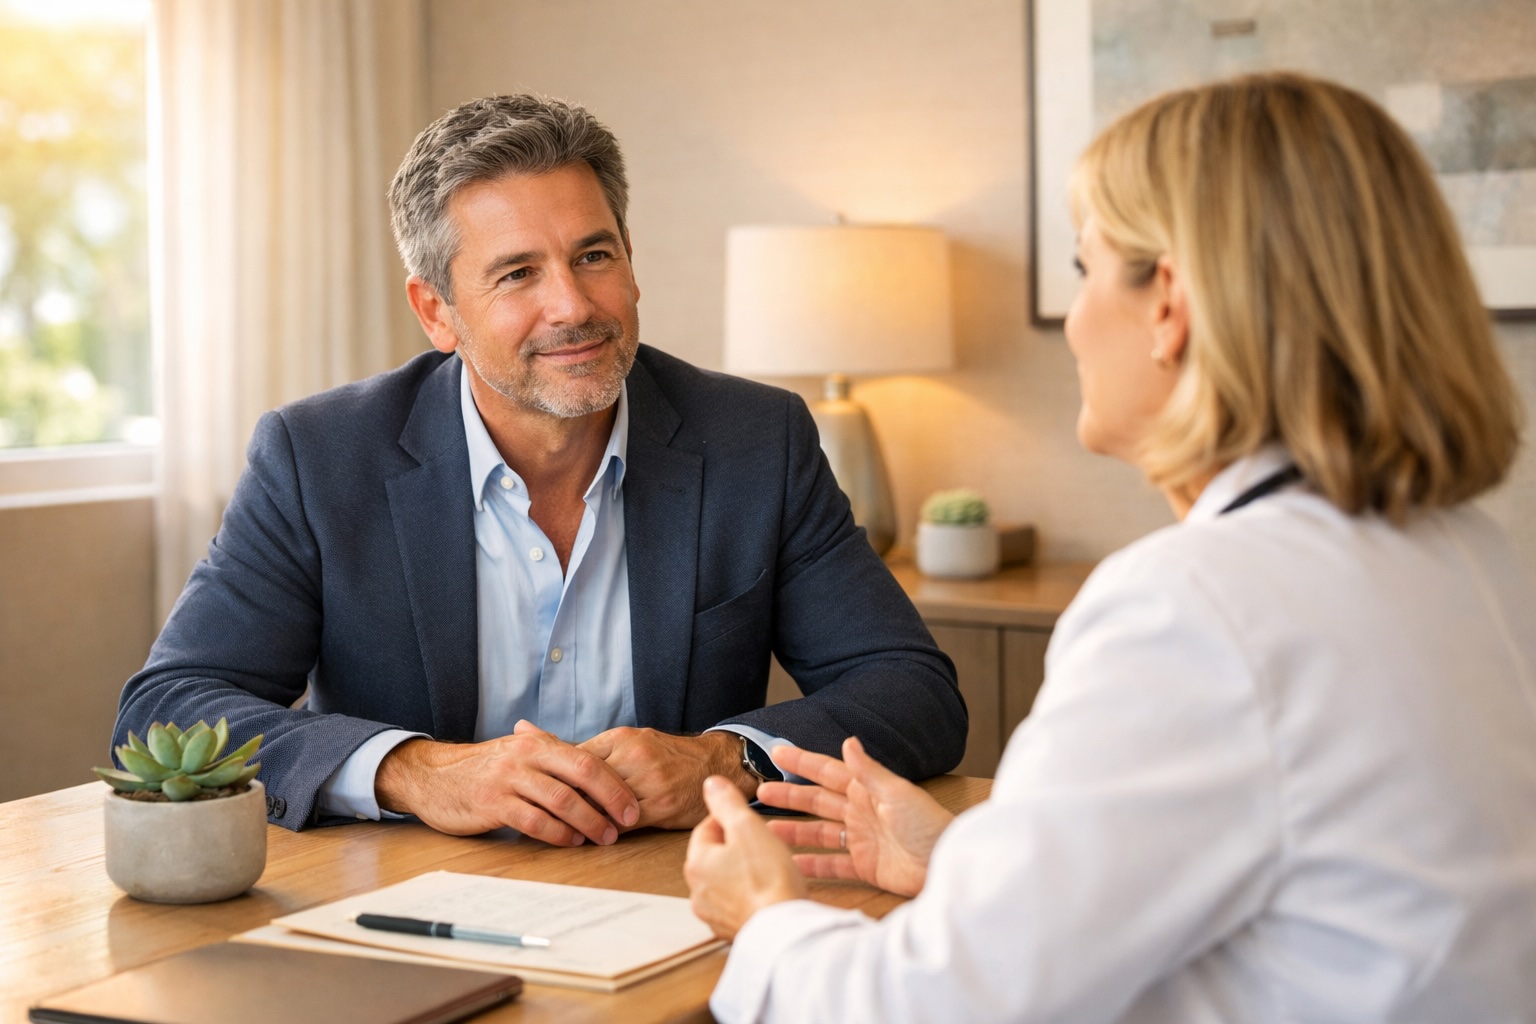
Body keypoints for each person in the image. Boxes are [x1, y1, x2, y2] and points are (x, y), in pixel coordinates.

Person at [684, 72, 1536, 1022]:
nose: (1079, 323)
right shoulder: (1467, 556)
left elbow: (930, 1008)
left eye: (1087, 271)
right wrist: (965, 860)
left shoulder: (1196, 606)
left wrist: (764, 921)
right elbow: (1276, 870)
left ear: (1167, 303)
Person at [112, 94, 966, 843]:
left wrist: (726, 758)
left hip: (685, 893)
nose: (573, 306)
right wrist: (414, 771)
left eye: (594, 256)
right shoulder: (320, 457)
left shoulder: (756, 439)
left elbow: (914, 693)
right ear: (436, 312)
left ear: (631, 260)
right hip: (408, 904)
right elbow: (169, 706)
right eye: (517, 273)